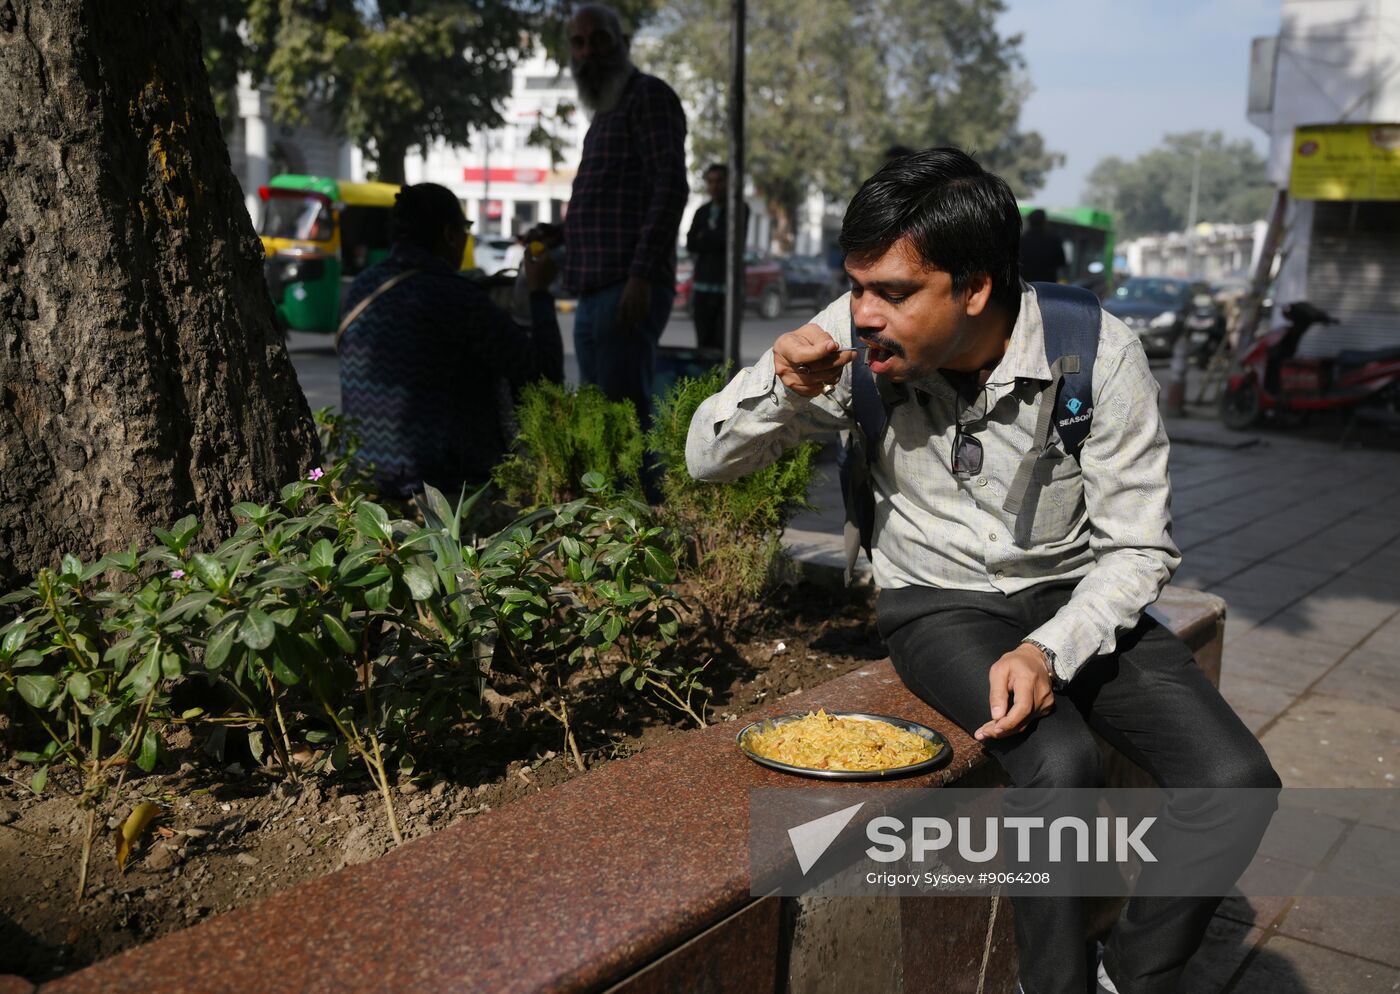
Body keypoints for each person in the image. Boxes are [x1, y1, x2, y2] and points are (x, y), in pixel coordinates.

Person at [685, 148, 1279, 994]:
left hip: (1074, 595)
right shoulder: (848, 341)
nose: (865, 314)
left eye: (892, 292)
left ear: (974, 289)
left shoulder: (1096, 354)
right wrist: (783, 389)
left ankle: (1129, 979)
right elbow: (706, 459)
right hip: (937, 604)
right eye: (856, 285)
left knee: (1237, 780)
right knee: (1057, 761)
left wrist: (1049, 652)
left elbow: (1139, 549)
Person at [339, 183, 559, 499]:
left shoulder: (362, 287)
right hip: (443, 488)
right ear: (449, 235)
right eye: (466, 229)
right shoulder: (455, 297)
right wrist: (539, 291)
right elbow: (544, 373)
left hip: (364, 479)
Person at [563, 3, 687, 427]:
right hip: (595, 288)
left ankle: (632, 495)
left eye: (599, 39)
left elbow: (670, 188)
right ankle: (605, 496)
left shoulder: (647, 95)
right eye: (578, 43)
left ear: (623, 44)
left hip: (626, 286)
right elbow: (604, 204)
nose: (588, 52)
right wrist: (556, 234)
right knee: (599, 420)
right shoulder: (605, 112)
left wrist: (641, 274)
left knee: (621, 419)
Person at [684, 163, 746, 351]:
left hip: (727, 291)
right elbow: (691, 243)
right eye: (711, 182)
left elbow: (733, 242)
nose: (715, 186)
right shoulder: (702, 211)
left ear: (729, 183)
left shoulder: (740, 209)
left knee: (725, 348)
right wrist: (716, 237)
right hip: (702, 288)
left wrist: (707, 237)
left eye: (719, 181)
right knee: (703, 345)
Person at [1020, 207, 1067, 284]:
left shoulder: (1021, 241)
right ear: (1044, 222)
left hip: (1025, 285)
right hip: (1046, 285)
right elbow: (1061, 262)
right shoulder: (1054, 241)